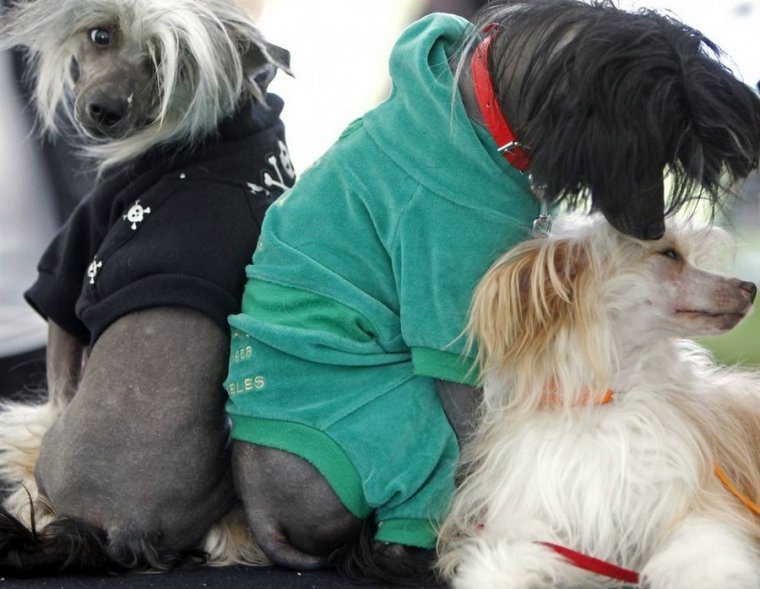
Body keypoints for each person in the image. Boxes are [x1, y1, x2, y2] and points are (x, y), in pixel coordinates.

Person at [225, 0, 760, 578]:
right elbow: (460, 369)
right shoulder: (452, 189)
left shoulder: (458, 111)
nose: (646, 206)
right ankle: (410, 540)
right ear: (605, 124)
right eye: (643, 164)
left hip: (291, 443)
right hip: (318, 457)